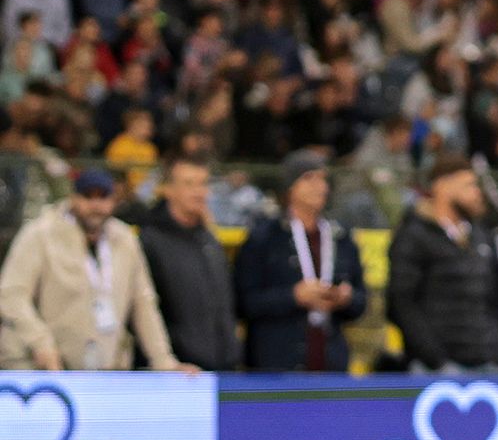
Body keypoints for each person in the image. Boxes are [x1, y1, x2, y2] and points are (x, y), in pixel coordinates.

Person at [0, 169, 190, 371]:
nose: (96, 205)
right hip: (41, 370)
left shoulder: (124, 239)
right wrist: (40, 342)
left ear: (114, 200)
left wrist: (163, 360)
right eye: (88, 197)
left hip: (103, 371)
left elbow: (143, 303)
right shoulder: (41, 234)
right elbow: (11, 294)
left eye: (103, 197)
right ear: (73, 198)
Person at [233, 151, 368, 373]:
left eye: (323, 178)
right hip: (275, 367)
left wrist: (345, 298)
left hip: (329, 364)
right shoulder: (265, 238)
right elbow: (244, 302)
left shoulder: (340, 237)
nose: (320, 186)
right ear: (290, 187)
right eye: (309, 178)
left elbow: (361, 300)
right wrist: (293, 297)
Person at [386, 152, 498, 373]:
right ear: (441, 186)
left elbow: (493, 300)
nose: (477, 193)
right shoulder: (414, 235)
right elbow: (401, 302)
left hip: (487, 362)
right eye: (469, 185)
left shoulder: (481, 234)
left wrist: (497, 351)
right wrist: (435, 359)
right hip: (435, 368)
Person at [138, 154, 240, 371]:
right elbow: (145, 309)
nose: (198, 191)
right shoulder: (151, 241)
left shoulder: (209, 239)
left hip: (222, 368)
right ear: (167, 189)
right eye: (188, 184)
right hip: (178, 375)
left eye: (203, 184)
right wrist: (168, 362)